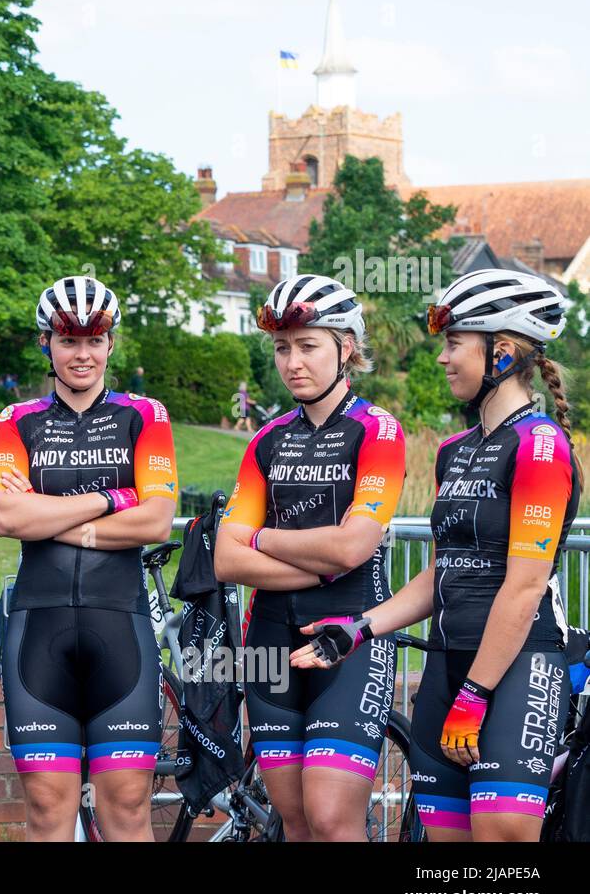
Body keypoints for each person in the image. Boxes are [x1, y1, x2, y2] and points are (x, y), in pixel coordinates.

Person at [293, 269, 579, 843]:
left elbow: (523, 589)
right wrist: (360, 627)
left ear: (501, 352)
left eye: (455, 344)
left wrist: (477, 693)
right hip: (448, 667)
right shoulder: (454, 450)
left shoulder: (541, 447)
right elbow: (440, 573)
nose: (443, 358)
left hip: (516, 670)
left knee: (501, 842)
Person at [0, 276, 179, 841]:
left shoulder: (145, 415)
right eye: (69, 341)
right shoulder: (15, 421)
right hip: (37, 629)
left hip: (120, 624)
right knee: (47, 811)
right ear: (46, 344)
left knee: (127, 809)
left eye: (95, 340)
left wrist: (48, 513)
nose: (83, 354)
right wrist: (110, 499)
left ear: (111, 345)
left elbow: (155, 521)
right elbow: (5, 519)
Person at [213, 275, 405, 842]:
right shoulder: (266, 439)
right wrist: (321, 559)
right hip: (269, 638)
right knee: (295, 821)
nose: (293, 362)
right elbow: (226, 559)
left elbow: (354, 547)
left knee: (331, 817)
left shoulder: (377, 430)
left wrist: (263, 538)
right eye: (282, 348)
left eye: (308, 345)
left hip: (350, 634)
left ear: (345, 347)